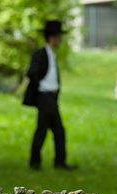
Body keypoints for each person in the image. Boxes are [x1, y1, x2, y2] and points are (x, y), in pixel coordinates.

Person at [23, 20, 77, 171]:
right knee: (45, 129)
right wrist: (41, 86)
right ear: (52, 38)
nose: (60, 40)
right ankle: (36, 162)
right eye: (59, 36)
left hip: (52, 97)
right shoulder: (40, 54)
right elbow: (32, 72)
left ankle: (57, 162)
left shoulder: (52, 55)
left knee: (57, 130)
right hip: (44, 96)